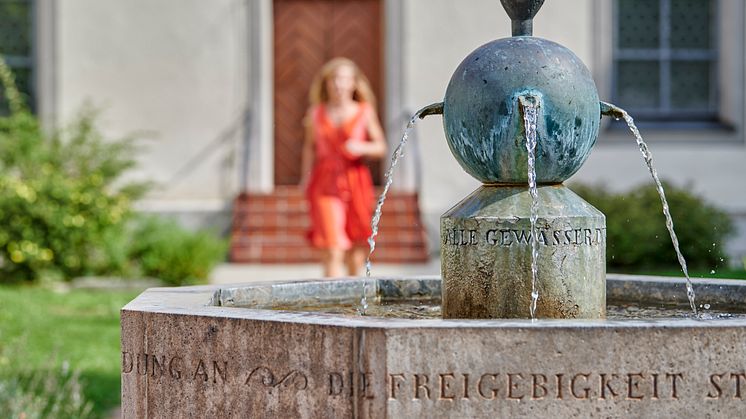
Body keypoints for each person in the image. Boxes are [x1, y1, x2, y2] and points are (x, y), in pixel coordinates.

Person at [300, 58, 387, 277]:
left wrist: (361, 147)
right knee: (333, 246)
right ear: (327, 84)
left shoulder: (364, 111)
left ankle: (351, 301)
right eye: (335, 79)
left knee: (357, 248)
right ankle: (331, 307)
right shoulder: (315, 114)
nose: (339, 84)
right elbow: (309, 148)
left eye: (344, 79)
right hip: (325, 182)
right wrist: (305, 178)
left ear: (354, 84)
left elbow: (381, 147)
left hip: (355, 179)